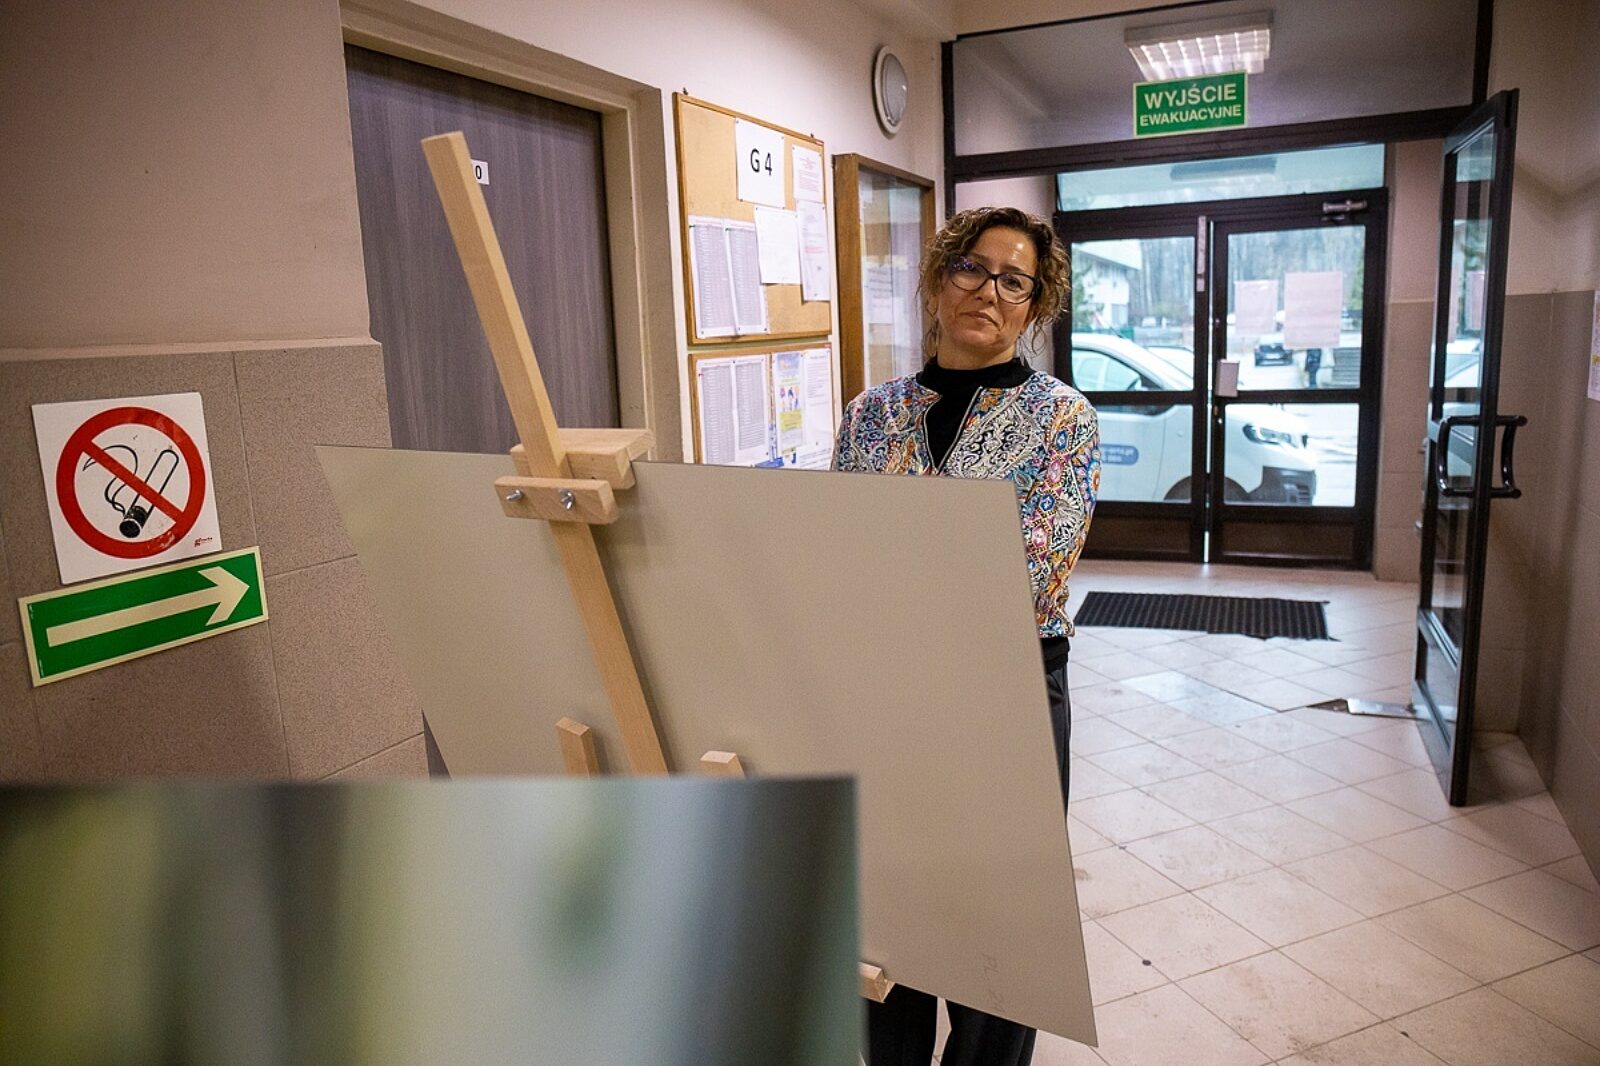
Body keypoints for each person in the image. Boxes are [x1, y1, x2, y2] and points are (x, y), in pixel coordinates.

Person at [833, 206, 1100, 1066]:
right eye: (973, 268)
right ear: (938, 279)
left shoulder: (1062, 419)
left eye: (1014, 281)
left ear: (1034, 307)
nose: (989, 291)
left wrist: (893, 581)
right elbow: (836, 553)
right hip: (885, 695)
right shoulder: (871, 416)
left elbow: (1032, 571)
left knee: (998, 930)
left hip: (1007, 692)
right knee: (892, 914)